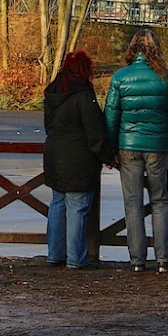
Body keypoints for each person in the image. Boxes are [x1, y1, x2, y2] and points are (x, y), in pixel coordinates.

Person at [104, 27, 168, 273]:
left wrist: (111, 150)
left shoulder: (120, 77)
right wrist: (166, 134)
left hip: (128, 147)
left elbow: (110, 118)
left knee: (133, 205)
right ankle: (163, 259)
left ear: (133, 49)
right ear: (156, 49)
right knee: (160, 201)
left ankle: (137, 260)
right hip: (158, 148)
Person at [42, 50, 113, 269]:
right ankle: (76, 258)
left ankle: (55, 254)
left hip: (54, 155)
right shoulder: (84, 95)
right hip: (79, 159)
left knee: (58, 203)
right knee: (77, 207)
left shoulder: (51, 93)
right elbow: (95, 132)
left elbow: (48, 126)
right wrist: (108, 156)